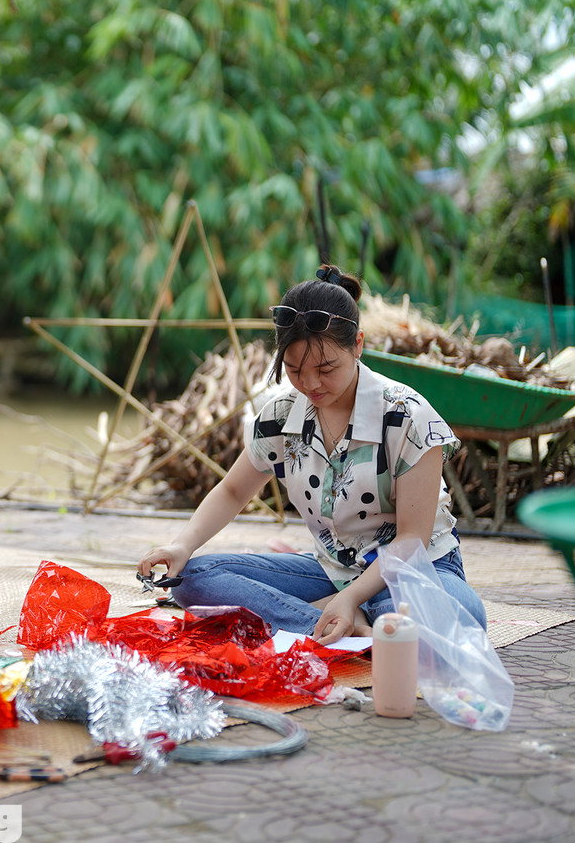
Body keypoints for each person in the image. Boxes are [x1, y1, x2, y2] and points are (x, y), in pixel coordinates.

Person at [137, 264, 486, 646]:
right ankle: (330, 623)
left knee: (463, 617)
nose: (311, 384)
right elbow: (234, 492)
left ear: (358, 345)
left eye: (326, 368)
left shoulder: (408, 417)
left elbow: (411, 541)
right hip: (332, 567)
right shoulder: (281, 414)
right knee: (192, 579)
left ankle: (343, 614)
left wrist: (352, 596)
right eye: (294, 370)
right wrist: (182, 545)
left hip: (415, 569)